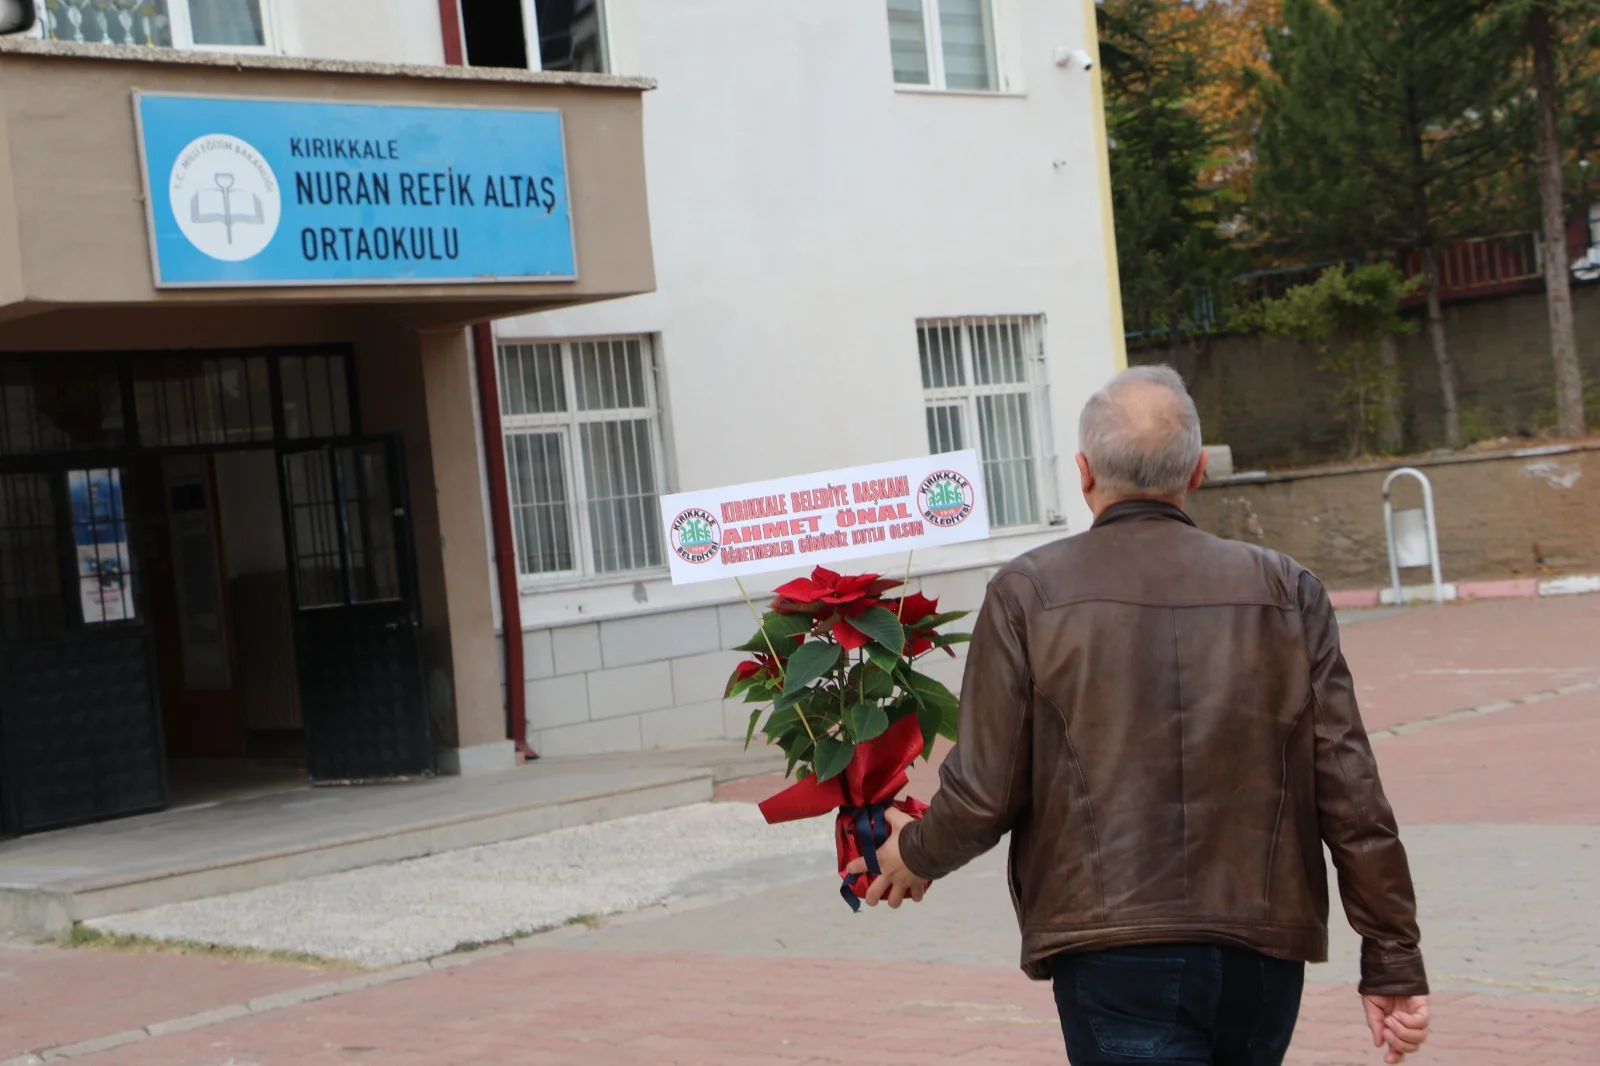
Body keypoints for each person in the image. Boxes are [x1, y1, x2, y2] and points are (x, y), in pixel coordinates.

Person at [848, 365, 1430, 1065]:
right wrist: (1391, 957)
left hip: (1112, 954)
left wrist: (907, 854)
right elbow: (1350, 791)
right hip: (1261, 952)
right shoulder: (1287, 590)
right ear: (1198, 473)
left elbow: (983, 794)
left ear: (1084, 473)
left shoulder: (1028, 593)